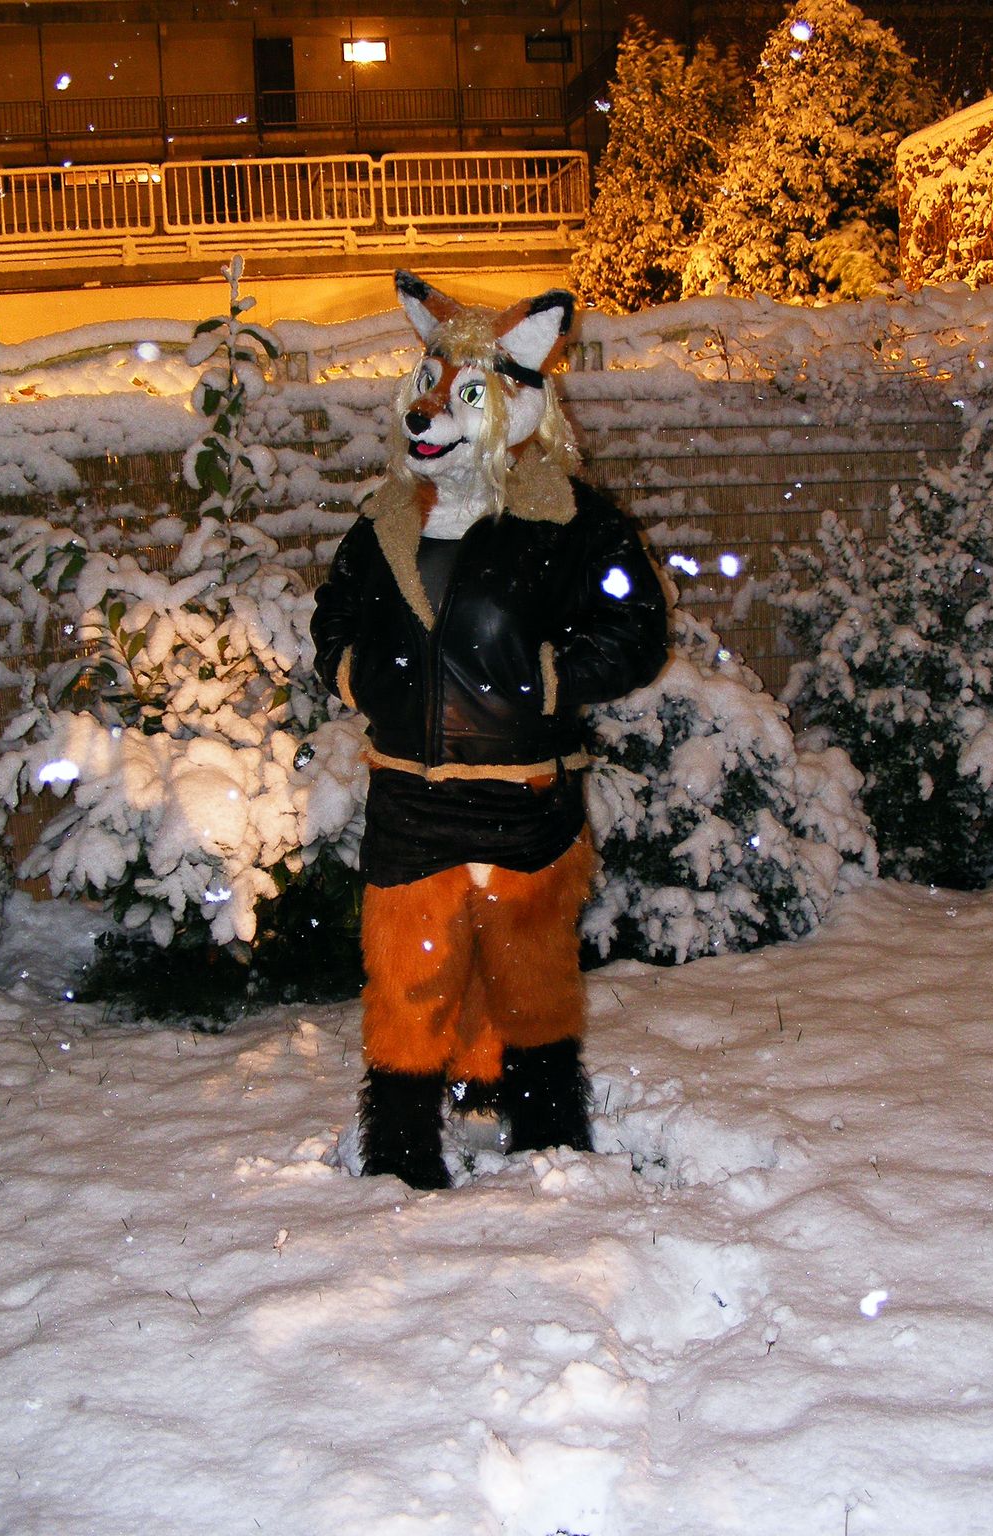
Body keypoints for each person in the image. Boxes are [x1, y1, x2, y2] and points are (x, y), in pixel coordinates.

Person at [312, 270, 668, 1188]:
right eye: (427, 389)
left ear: (516, 404)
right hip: (410, 798)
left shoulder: (574, 521)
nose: (430, 414)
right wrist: (352, 671)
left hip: (525, 801)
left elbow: (634, 630)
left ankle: (548, 1141)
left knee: (531, 982)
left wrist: (551, 678)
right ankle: (401, 1160)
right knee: (406, 987)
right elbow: (334, 612)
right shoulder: (385, 521)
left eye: (464, 395)